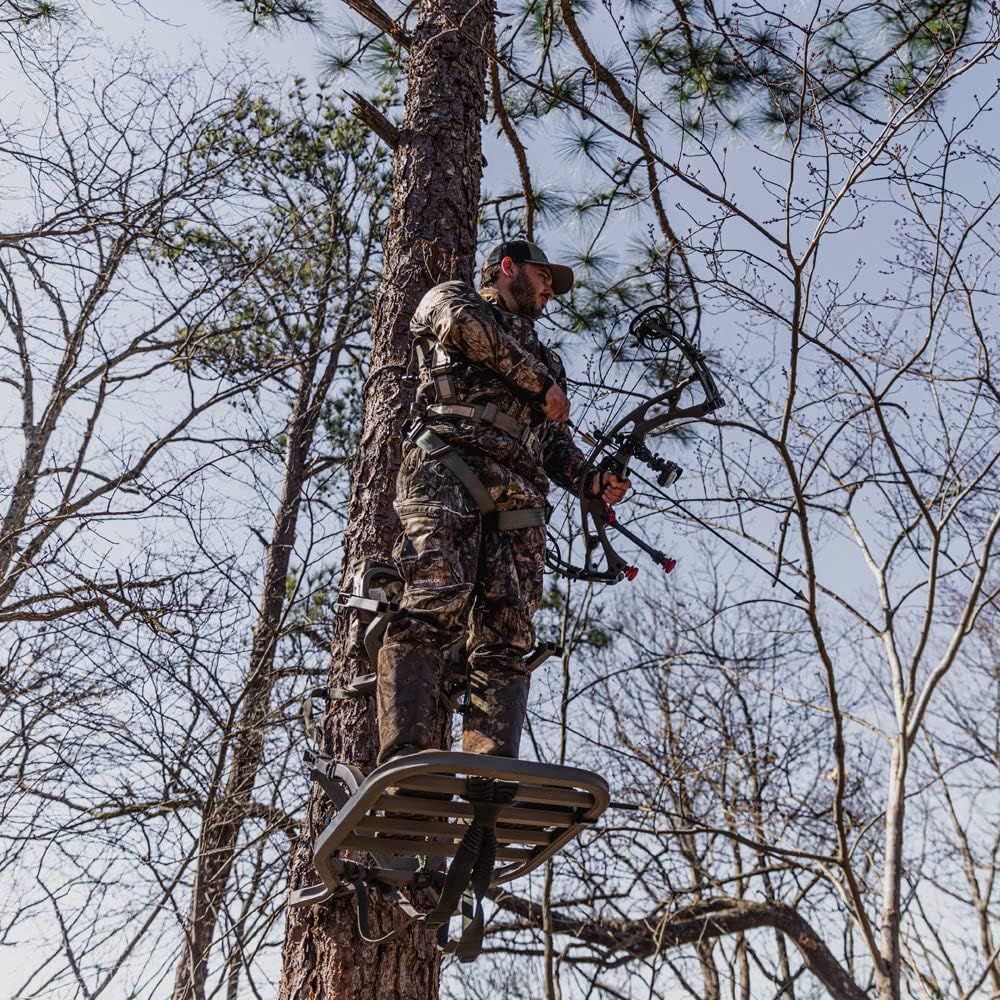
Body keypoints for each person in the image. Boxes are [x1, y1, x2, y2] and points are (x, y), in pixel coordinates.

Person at [376, 240, 630, 765]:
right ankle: (407, 759)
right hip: (447, 464)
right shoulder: (450, 298)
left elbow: (553, 442)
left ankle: (488, 774)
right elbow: (467, 330)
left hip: (518, 497)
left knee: (508, 632)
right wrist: (541, 385)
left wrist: (591, 479)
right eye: (544, 278)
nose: (549, 293)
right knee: (433, 597)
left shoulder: (546, 357)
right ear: (508, 268)